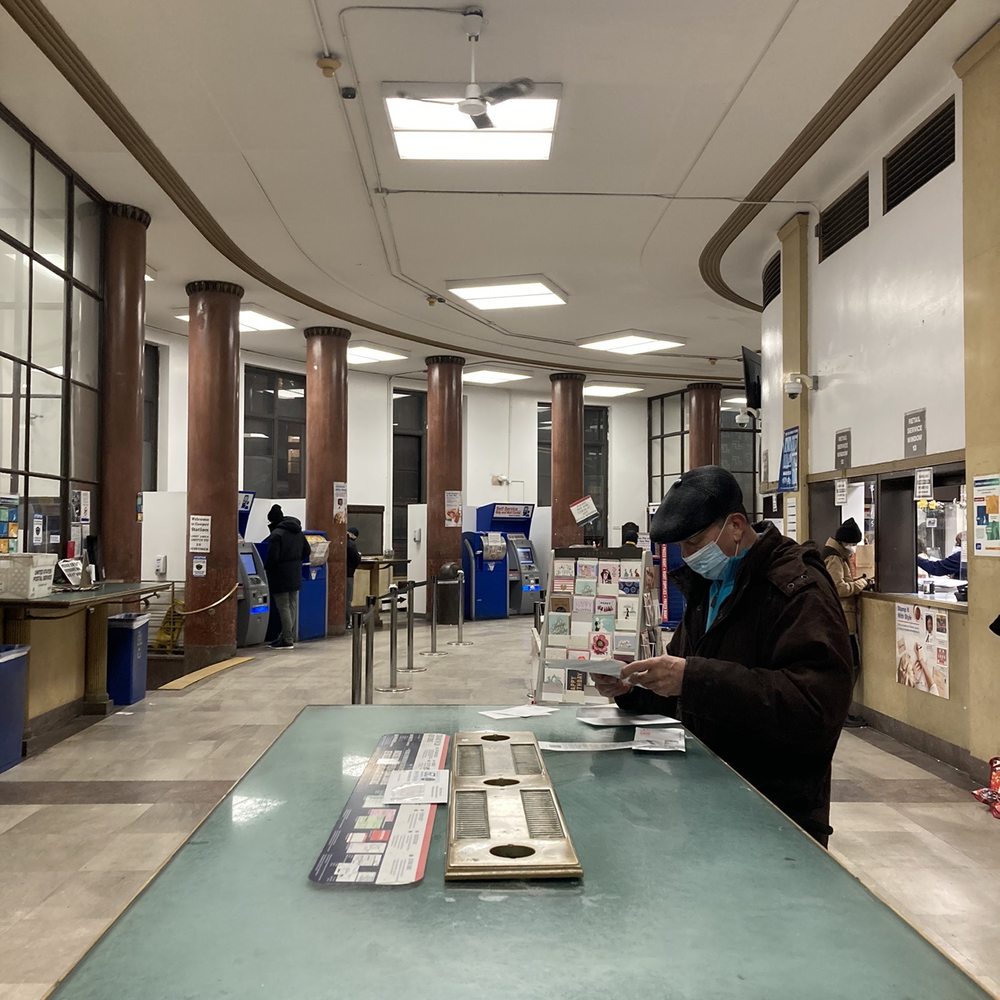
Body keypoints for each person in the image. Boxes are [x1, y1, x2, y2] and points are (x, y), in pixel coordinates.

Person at [592, 467, 852, 847]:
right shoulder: (706, 589)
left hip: (777, 813)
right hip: (708, 797)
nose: (688, 557)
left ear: (735, 526)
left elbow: (816, 706)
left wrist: (692, 678)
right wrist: (631, 687)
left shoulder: (797, 590)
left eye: (695, 542)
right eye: (681, 547)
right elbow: (682, 689)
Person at [822, 517, 868, 728]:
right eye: (852, 544)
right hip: (840, 619)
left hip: (838, 619)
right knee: (850, 665)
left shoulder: (836, 555)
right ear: (844, 542)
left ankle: (838, 709)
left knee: (850, 665)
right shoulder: (833, 559)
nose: (853, 548)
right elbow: (838, 587)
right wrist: (861, 584)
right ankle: (841, 711)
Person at [264, 504, 311, 649]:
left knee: (283, 606)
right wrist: (296, 562)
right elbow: (307, 551)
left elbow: (273, 558)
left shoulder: (276, 535)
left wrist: (268, 569)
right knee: (292, 604)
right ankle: (287, 635)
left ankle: (287, 638)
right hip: (295, 572)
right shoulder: (298, 532)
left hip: (280, 574)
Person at [346, 526, 361, 628]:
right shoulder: (351, 544)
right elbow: (356, 559)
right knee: (347, 599)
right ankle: (346, 622)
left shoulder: (343, 541)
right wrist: (359, 556)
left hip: (342, 574)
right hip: (349, 574)